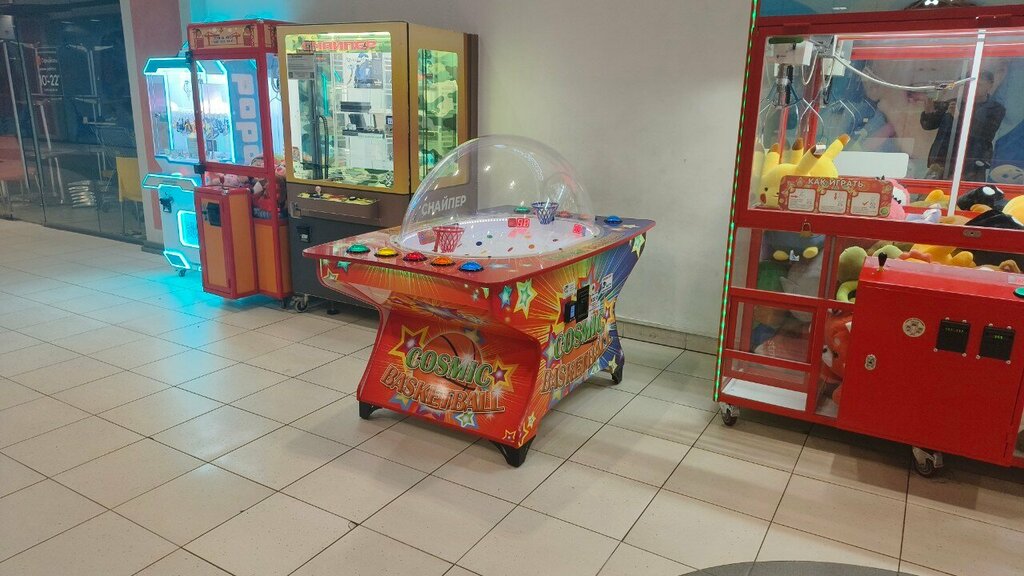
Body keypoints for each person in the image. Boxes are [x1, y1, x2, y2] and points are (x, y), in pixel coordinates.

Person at [920, 70, 1006, 182]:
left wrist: (958, 117)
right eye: (966, 85)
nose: (971, 88)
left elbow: (985, 133)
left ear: (990, 85)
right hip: (942, 161)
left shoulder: (995, 109)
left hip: (972, 164)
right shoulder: (953, 103)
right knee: (933, 191)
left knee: (969, 193)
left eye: (979, 85)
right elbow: (928, 125)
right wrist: (929, 111)